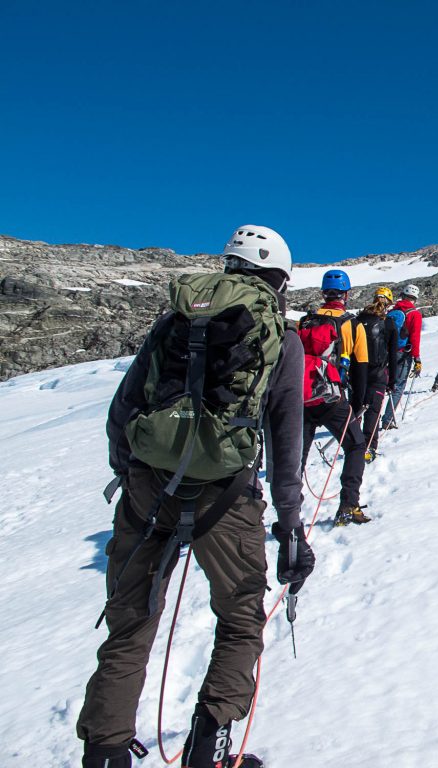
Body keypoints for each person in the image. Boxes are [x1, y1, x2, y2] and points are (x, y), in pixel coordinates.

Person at [77, 225, 314, 768]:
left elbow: (125, 406)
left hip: (147, 485)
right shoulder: (281, 336)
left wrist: (130, 471)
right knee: (238, 617)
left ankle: (106, 751)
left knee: (131, 621)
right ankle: (209, 749)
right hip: (226, 496)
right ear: (279, 277)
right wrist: (290, 525)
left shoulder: (174, 321)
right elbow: (285, 443)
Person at [297, 269, 371, 526]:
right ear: (346, 295)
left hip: (301, 397)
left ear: (323, 294)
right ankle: (349, 504)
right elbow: (361, 367)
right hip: (333, 397)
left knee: (298, 455)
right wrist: (359, 402)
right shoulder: (352, 323)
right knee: (356, 445)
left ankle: (289, 507)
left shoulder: (304, 322)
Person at [355, 286, 399, 463]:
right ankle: (368, 448)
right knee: (373, 412)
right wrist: (392, 380)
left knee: (356, 408)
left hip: (357, 372)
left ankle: (353, 444)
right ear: (388, 303)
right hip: (378, 373)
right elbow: (393, 354)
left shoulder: (357, 320)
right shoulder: (389, 323)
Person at [380, 284, 423, 430]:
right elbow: (415, 337)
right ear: (415, 299)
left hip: (385, 352)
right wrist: (417, 358)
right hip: (403, 353)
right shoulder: (414, 314)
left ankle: (372, 416)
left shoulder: (393, 311)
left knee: (382, 384)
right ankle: (387, 420)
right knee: (398, 386)